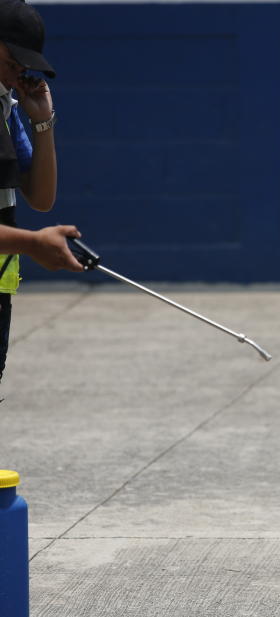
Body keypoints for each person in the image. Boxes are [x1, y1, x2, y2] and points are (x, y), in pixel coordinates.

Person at [0, 0, 73, 385]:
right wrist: (32, 243)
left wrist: (42, 121)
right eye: (12, 63)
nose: (16, 77)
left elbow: (41, 198)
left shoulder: (6, 109)